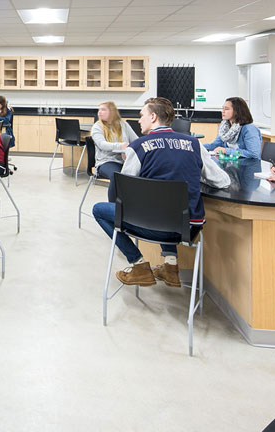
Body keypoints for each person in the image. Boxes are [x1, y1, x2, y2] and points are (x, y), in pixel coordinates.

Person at [92, 97, 230, 288]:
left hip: (149, 225)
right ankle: (170, 266)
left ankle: (138, 265)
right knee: (169, 206)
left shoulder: (139, 148)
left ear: (153, 117)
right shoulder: (194, 144)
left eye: (142, 116)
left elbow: (124, 192)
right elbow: (223, 181)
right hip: (187, 229)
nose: (139, 120)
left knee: (99, 210)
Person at [90, 101, 138, 202]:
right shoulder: (97, 127)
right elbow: (102, 145)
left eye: (103, 110)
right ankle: (113, 207)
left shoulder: (123, 124)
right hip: (106, 162)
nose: (99, 112)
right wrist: (121, 147)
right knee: (116, 176)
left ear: (112, 112)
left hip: (124, 161)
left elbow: (136, 141)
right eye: (99, 110)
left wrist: (127, 151)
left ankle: (131, 206)